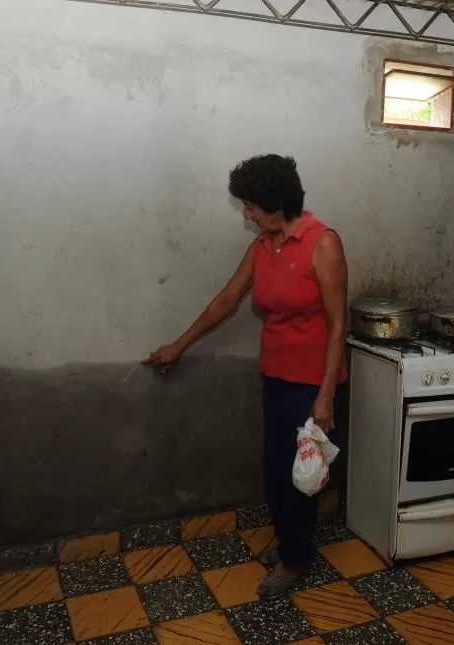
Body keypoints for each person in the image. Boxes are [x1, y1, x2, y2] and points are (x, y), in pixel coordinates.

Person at [143, 154, 348, 598]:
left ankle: (295, 559)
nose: (246, 213)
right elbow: (227, 300)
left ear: (275, 204)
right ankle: (293, 542)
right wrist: (180, 345)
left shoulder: (322, 243)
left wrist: (326, 396)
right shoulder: (263, 246)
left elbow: (337, 326)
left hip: (313, 381)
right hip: (276, 373)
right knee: (277, 469)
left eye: (251, 205)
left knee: (302, 473)